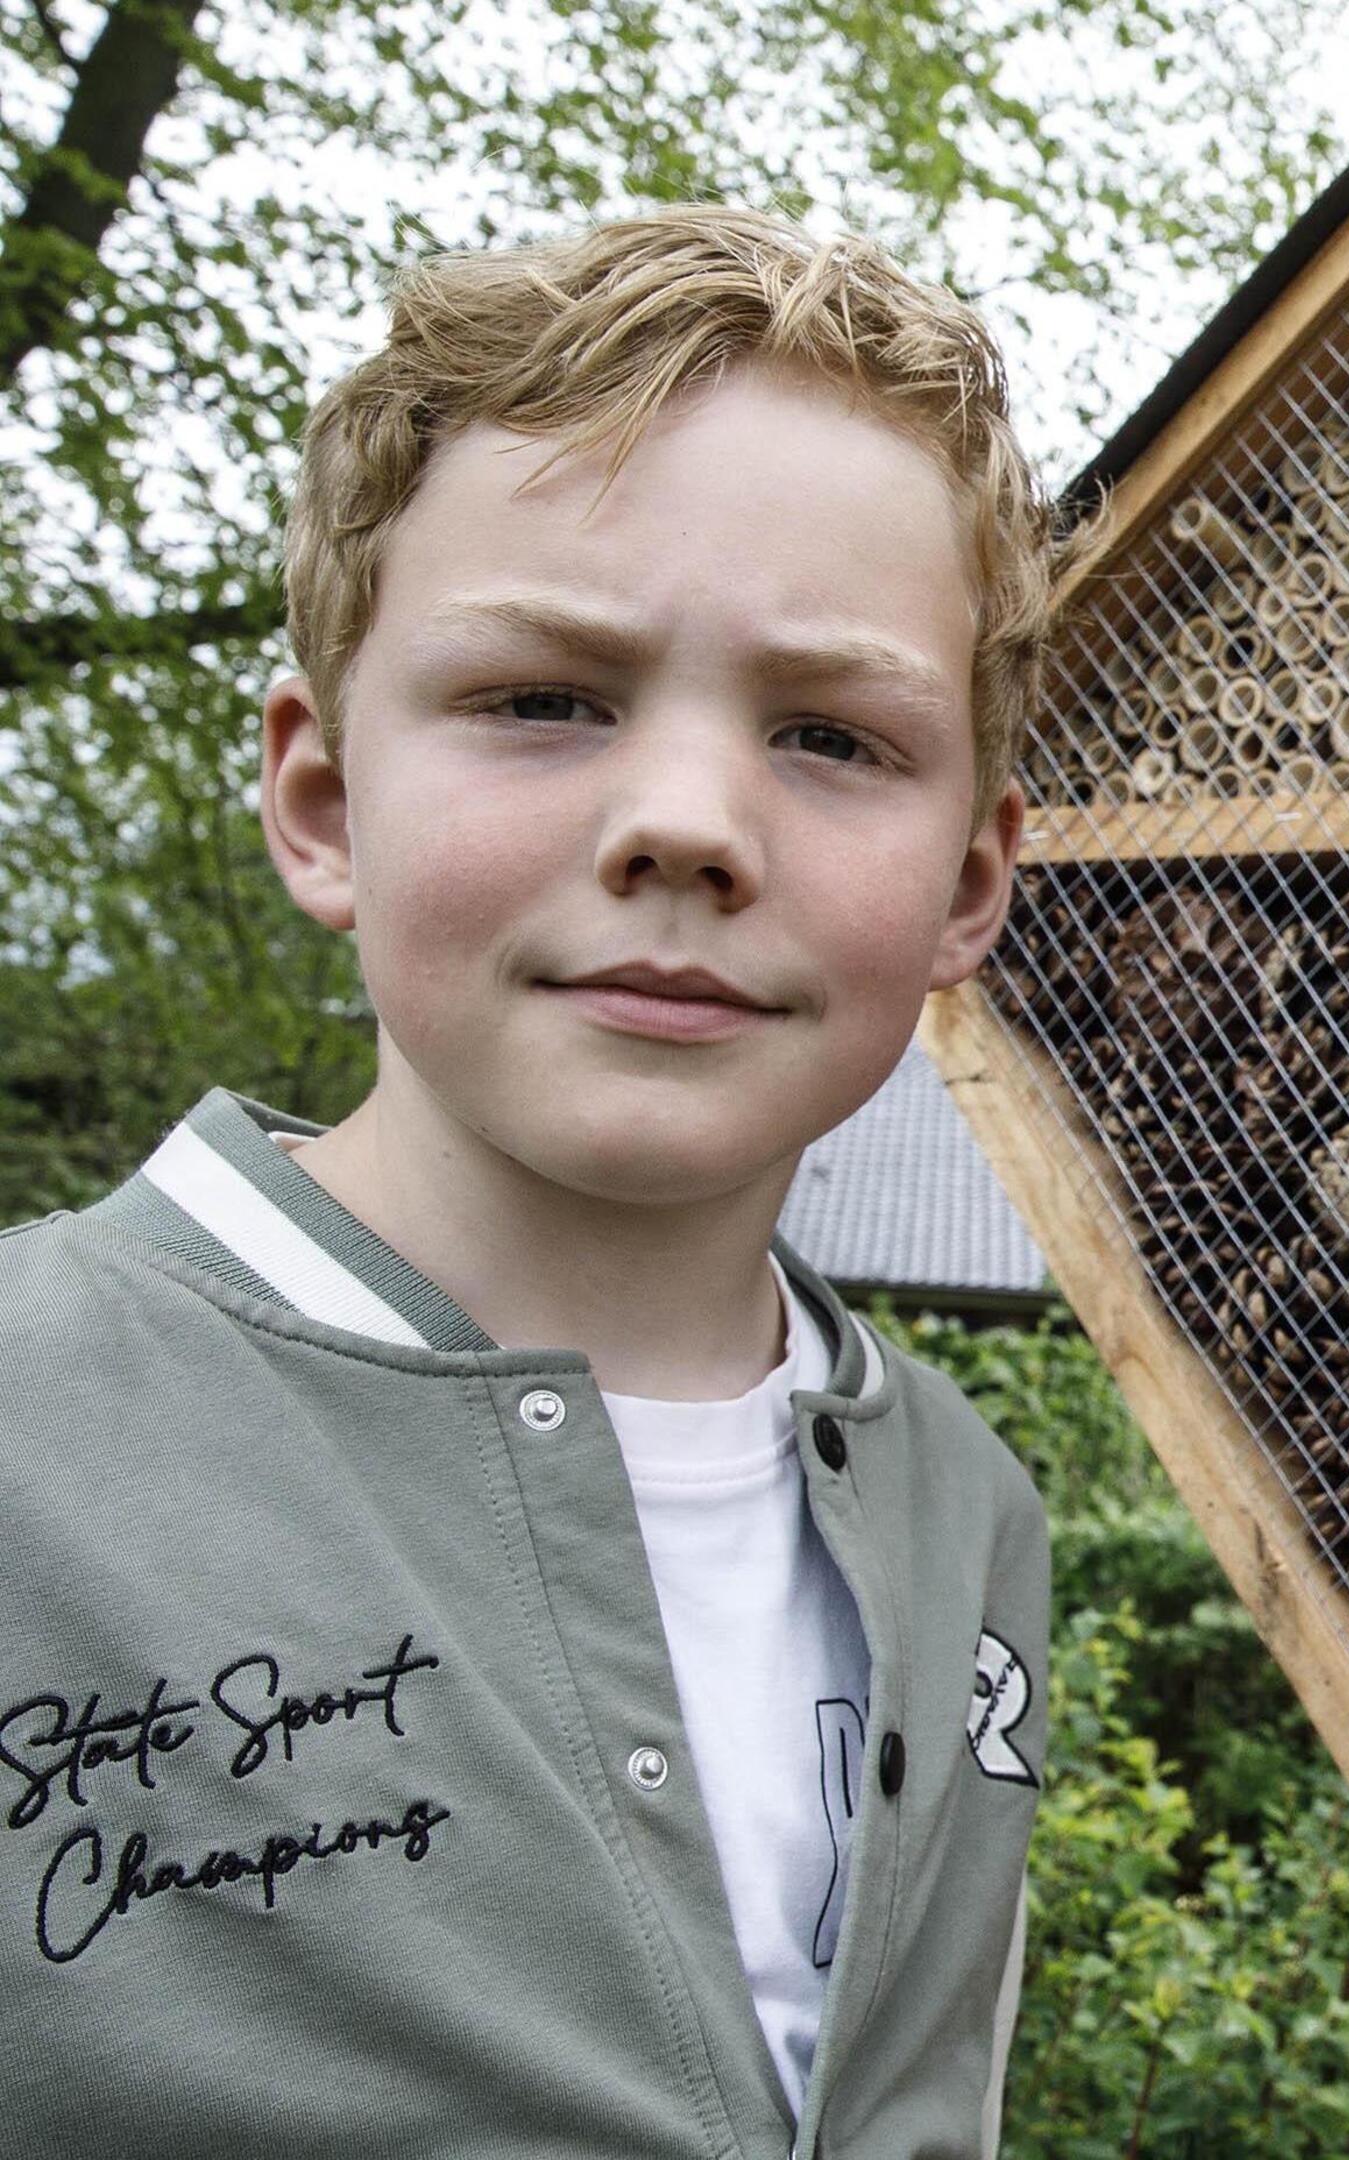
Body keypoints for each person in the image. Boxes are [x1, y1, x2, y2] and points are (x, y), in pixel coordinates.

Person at [0, 203, 1053, 2157]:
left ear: (968, 887)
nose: (684, 825)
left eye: (831, 736)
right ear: (324, 802)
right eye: (544, 701)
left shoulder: (968, 1517)